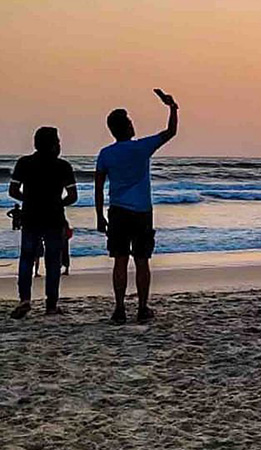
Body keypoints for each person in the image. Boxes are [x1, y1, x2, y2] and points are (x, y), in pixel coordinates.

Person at [95, 89, 178, 325]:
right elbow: (170, 132)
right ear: (127, 127)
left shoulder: (106, 154)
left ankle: (120, 308)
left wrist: (99, 216)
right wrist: (172, 107)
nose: (133, 125)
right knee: (142, 260)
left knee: (120, 260)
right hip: (141, 211)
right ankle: (142, 307)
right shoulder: (142, 147)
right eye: (130, 122)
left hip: (118, 211)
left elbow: (98, 187)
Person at [8, 127, 78, 319]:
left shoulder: (24, 163)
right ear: (54, 144)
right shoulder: (63, 166)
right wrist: (57, 203)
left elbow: (13, 191)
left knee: (26, 258)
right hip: (54, 217)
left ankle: (24, 300)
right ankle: (51, 305)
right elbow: (73, 196)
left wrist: (29, 200)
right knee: (53, 261)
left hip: (30, 215)